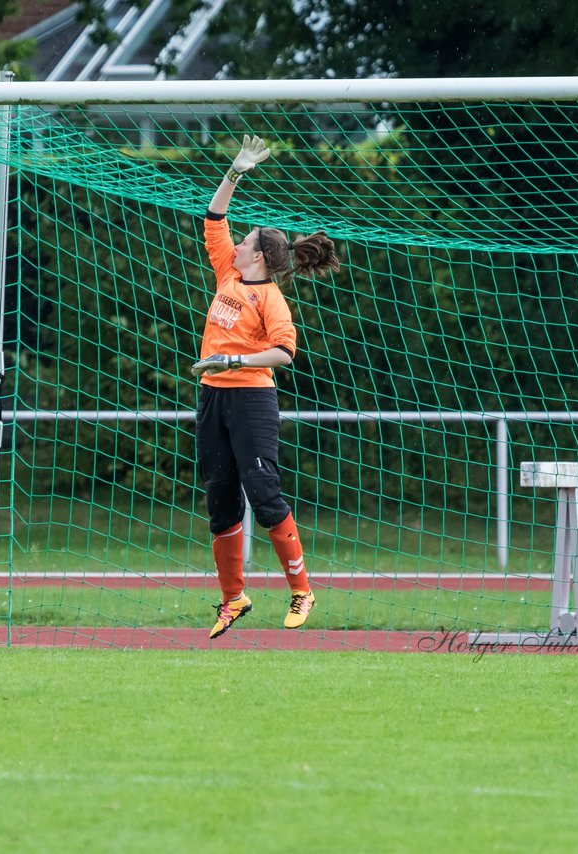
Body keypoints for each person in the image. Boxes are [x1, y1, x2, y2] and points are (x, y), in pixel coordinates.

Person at [190, 134, 342, 640]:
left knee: (265, 493)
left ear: (258, 257)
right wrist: (235, 171)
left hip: (252, 398)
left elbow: (284, 353)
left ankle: (301, 589)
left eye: (245, 242)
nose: (235, 244)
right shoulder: (226, 275)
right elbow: (214, 219)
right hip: (213, 397)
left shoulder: (271, 300)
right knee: (220, 500)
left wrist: (233, 357)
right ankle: (233, 599)